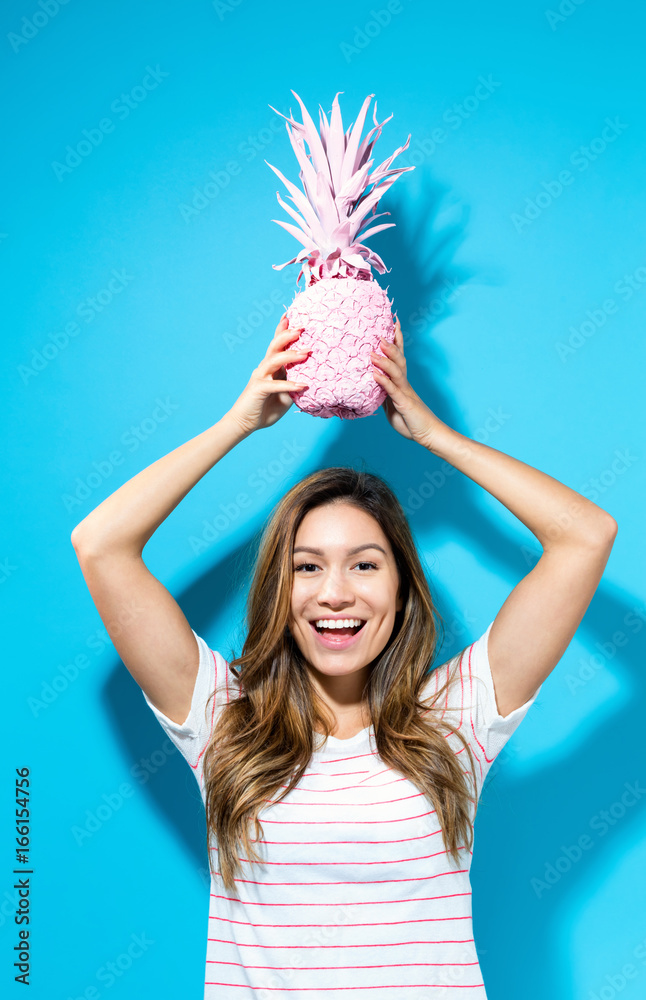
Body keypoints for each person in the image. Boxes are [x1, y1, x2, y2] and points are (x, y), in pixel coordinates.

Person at [71, 313, 617, 998]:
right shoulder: (222, 719)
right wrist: (239, 423)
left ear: (402, 588)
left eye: (364, 566)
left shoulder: (456, 719)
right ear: (279, 589)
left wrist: (436, 438)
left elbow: (585, 537)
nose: (334, 594)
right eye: (307, 568)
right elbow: (101, 545)